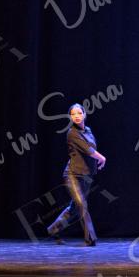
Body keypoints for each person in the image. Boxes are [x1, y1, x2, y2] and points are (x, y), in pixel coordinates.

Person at [46, 103, 107, 246]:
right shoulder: (72, 133)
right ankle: (90, 238)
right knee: (81, 205)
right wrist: (102, 158)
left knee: (75, 208)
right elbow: (88, 151)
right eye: (73, 114)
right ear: (70, 117)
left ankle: (53, 229)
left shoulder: (88, 131)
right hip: (72, 175)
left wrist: (96, 164)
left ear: (84, 114)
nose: (77, 116)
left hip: (86, 175)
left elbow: (91, 149)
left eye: (79, 113)